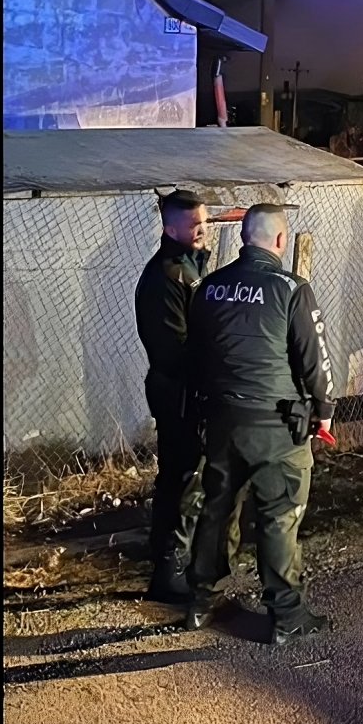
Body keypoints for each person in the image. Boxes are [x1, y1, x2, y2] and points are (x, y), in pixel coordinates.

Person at [184, 204, 336, 644]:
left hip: (222, 420)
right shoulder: (291, 289)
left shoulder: (209, 287)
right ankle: (287, 615)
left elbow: (195, 354)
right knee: (279, 516)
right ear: (281, 240)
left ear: (244, 237)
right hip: (276, 428)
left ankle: (202, 603)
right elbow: (315, 359)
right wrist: (325, 409)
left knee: (217, 509)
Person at [133, 190, 213, 602]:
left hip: (187, 391)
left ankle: (173, 559)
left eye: (204, 221)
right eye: (193, 223)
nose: (202, 229)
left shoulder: (189, 267)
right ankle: (169, 572)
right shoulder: (165, 277)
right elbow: (172, 350)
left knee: (186, 476)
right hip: (178, 393)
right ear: (169, 228)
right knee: (182, 479)